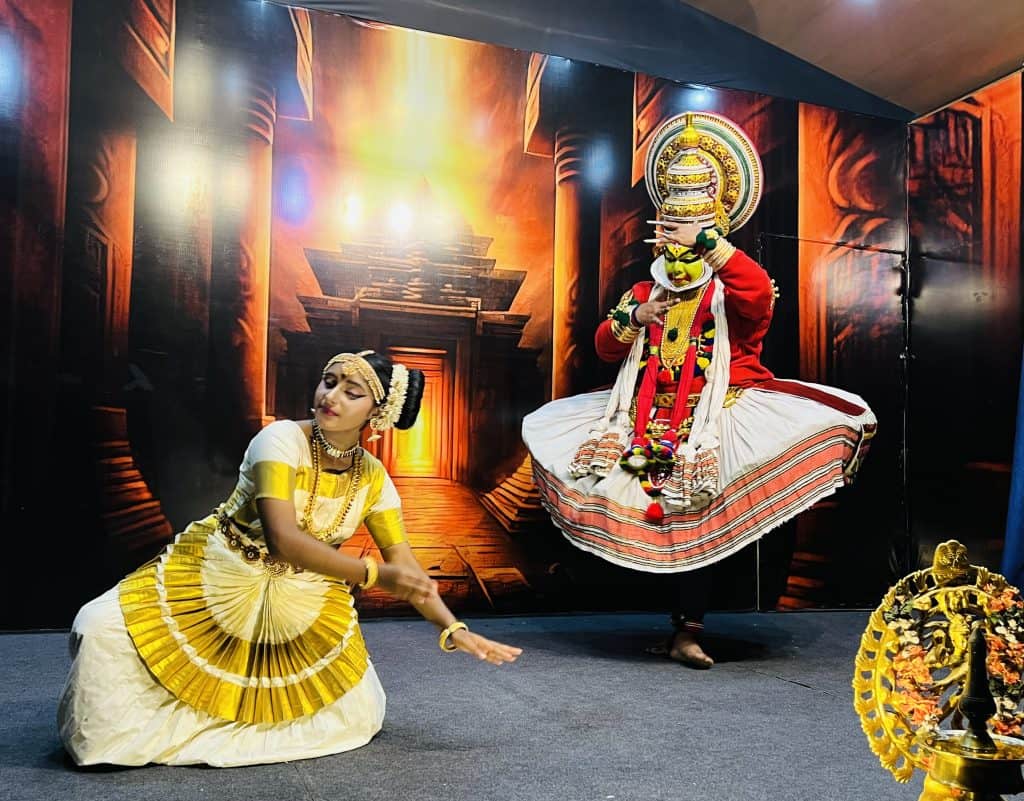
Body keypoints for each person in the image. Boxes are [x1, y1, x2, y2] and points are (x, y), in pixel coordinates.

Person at [523, 113, 876, 668]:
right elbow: (605, 348)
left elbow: (757, 297)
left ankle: (688, 631)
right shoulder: (644, 288)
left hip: (717, 420)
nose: (676, 242)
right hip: (645, 421)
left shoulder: (731, 284)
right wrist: (637, 315)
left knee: (696, 525)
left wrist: (710, 245)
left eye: (690, 232)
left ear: (714, 230)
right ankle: (672, 628)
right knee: (652, 522)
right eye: (669, 231)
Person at [59, 350, 521, 766]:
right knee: (98, 629)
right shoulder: (280, 440)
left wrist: (452, 628)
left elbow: (409, 569)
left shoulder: (375, 479)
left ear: (375, 414)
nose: (330, 395)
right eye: (329, 380)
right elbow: (283, 539)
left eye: (351, 391)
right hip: (222, 571)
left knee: (356, 712)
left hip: (303, 597)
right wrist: (375, 574)